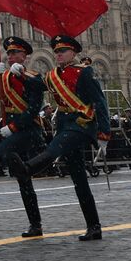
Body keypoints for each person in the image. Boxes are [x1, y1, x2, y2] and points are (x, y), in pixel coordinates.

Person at [19, 34, 110, 241]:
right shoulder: (53, 75)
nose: (58, 55)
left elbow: (100, 102)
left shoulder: (84, 73)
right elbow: (39, 85)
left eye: (63, 51)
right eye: (57, 52)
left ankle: (27, 168)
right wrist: (21, 74)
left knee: (55, 147)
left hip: (81, 125)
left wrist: (104, 132)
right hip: (64, 125)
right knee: (79, 180)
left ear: (73, 53)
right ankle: (94, 226)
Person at [0, 37, 47, 237]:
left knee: (2, 151)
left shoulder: (33, 76)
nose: (10, 56)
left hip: (28, 130)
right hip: (11, 130)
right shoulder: (3, 77)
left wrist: (13, 126)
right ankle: (36, 225)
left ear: (24, 57)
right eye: (8, 53)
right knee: (23, 179)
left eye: (15, 53)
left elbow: (33, 109)